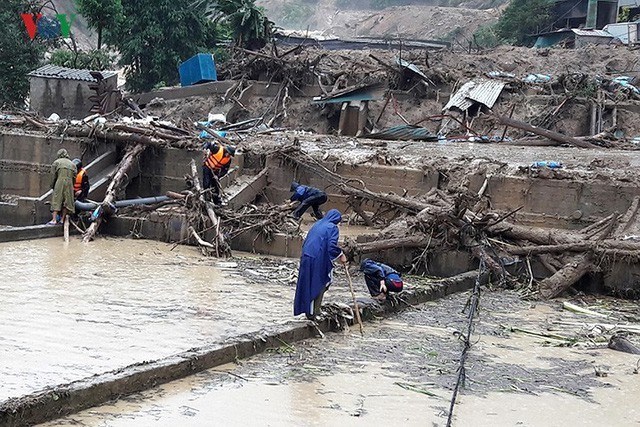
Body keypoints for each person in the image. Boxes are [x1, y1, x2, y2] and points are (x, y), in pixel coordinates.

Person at [294, 209, 347, 320]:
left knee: (307, 283)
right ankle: (314, 313)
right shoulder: (332, 228)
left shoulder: (318, 224)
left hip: (306, 256)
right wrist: (341, 254)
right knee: (320, 282)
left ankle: (310, 310)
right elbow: (331, 246)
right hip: (318, 259)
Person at [48, 148, 76, 225]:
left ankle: (54, 220)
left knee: (56, 200)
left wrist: (52, 185)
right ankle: (62, 220)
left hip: (59, 182)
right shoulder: (72, 164)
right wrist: (71, 185)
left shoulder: (56, 162)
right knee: (66, 202)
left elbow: (53, 176)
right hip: (69, 183)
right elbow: (74, 177)